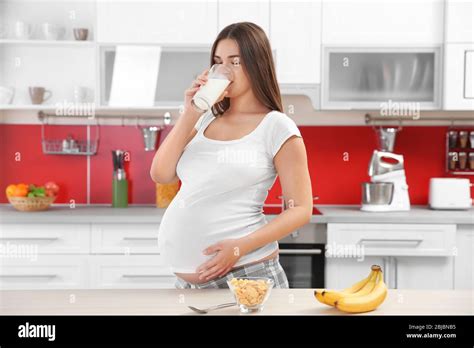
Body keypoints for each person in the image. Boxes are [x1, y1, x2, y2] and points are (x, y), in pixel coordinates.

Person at [150, 22, 313, 289]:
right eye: (218, 61)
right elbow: (161, 174)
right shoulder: (204, 119)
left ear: (257, 65)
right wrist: (190, 112)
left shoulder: (277, 126)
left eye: (235, 62)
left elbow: (302, 210)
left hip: (246, 274)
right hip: (190, 286)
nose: (224, 70)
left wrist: (239, 247)